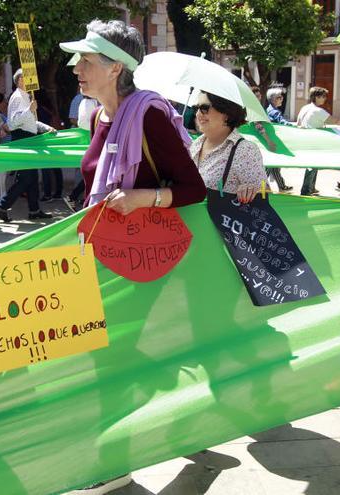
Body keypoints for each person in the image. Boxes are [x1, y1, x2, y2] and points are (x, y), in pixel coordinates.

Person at [59, 20, 205, 493]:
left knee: (111, 358)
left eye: (87, 59)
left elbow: (193, 188)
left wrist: (146, 198)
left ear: (116, 67)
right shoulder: (100, 116)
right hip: (100, 256)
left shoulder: (148, 115)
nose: (77, 67)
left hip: (140, 262)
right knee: (107, 354)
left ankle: (114, 463)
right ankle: (184, 410)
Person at [0, 68, 56, 221]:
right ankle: (2, 205)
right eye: (28, 77)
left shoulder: (25, 96)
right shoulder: (18, 97)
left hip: (28, 139)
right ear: (21, 79)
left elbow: (30, 122)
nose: (31, 80)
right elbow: (13, 123)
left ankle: (34, 210)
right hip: (22, 139)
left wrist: (45, 127)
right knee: (25, 178)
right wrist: (29, 110)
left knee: (32, 177)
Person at [190, 91, 266, 201]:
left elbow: (264, 195)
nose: (198, 114)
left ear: (226, 113)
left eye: (204, 108)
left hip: (222, 218)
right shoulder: (195, 145)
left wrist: (251, 190)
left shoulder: (245, 150)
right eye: (196, 108)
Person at [296, 86, 340, 196]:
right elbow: (335, 121)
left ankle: (311, 187)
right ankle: (306, 190)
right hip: (313, 141)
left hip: (304, 139)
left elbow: (298, 123)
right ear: (316, 97)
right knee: (311, 165)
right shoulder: (318, 111)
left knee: (314, 163)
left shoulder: (305, 108)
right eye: (323, 96)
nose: (325, 99)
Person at [263, 87, 292, 192]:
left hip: (272, 141)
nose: (282, 99)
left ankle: (281, 186)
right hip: (273, 141)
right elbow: (283, 122)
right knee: (269, 166)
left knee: (274, 166)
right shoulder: (274, 111)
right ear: (273, 99)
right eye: (279, 97)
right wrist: (295, 126)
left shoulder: (270, 109)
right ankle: (262, 188)